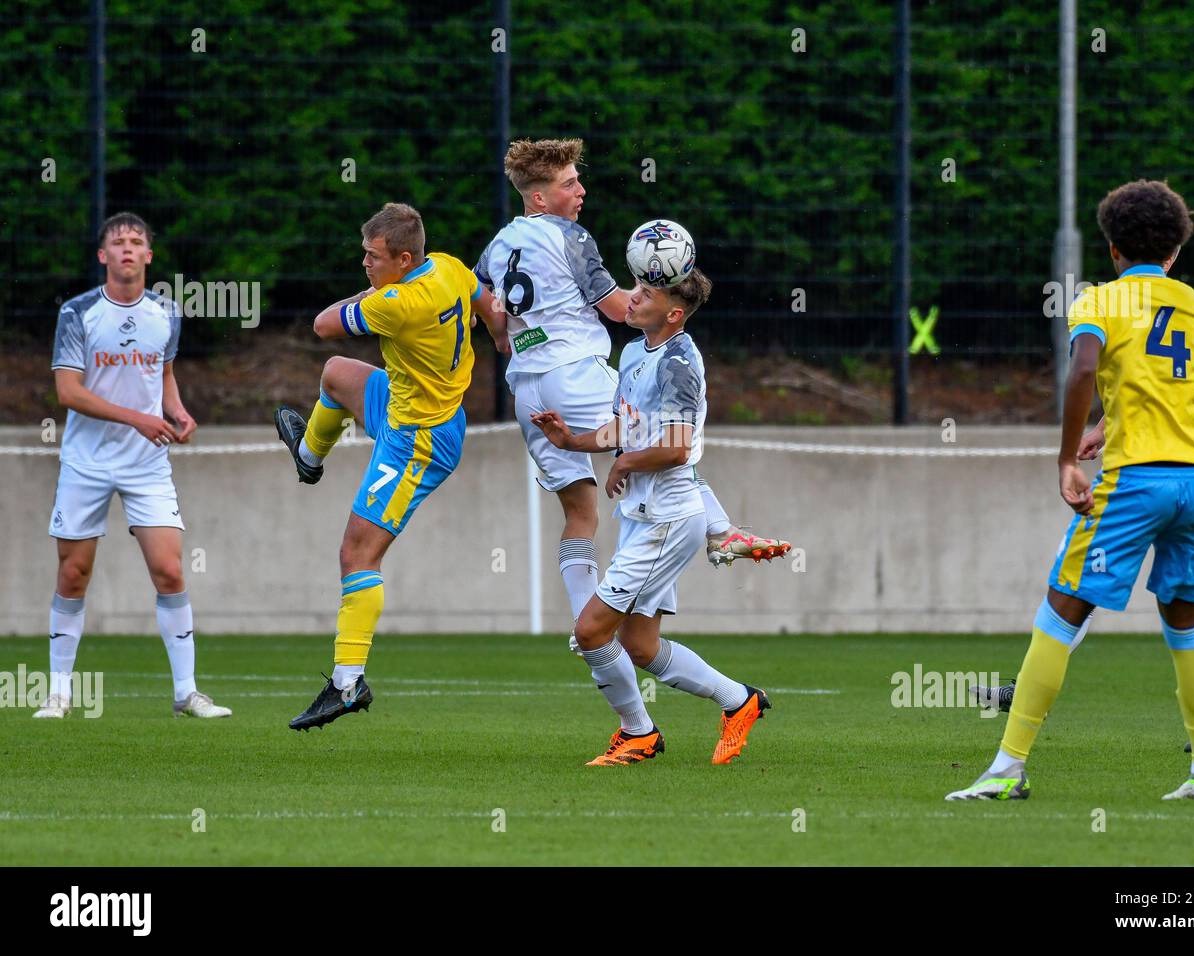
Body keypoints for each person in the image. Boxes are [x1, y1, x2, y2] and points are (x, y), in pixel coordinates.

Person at [946, 180, 1194, 801]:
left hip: (1133, 482)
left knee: (1059, 614)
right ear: (1175, 248)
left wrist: (1067, 457)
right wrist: (1168, 434)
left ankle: (1007, 770)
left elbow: (1084, 367)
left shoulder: (1100, 302)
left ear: (1112, 248)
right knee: (1184, 623)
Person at [473, 138, 791, 648]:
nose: (581, 190)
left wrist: (500, 336)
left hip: (527, 389)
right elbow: (617, 309)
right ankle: (720, 530)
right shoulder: (570, 237)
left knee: (580, 513)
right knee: (659, 434)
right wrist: (652, 289)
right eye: (569, 183)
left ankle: (587, 629)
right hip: (573, 371)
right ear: (539, 198)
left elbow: (482, 295)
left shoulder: (499, 243)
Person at [274, 203, 502, 731]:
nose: (365, 265)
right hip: (410, 404)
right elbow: (487, 303)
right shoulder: (445, 265)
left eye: (373, 258)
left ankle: (347, 683)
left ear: (403, 258)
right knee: (336, 375)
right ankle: (309, 458)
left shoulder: (396, 303)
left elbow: (323, 323)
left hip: (417, 442)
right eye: (364, 255)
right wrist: (504, 342)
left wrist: (374, 295)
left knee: (356, 554)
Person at [532, 271, 770, 765]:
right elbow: (627, 426)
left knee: (590, 632)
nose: (632, 298)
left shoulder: (680, 363)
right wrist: (570, 441)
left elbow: (678, 449)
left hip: (667, 520)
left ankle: (639, 733)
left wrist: (625, 461)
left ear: (673, 313)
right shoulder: (637, 352)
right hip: (644, 517)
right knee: (640, 646)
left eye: (645, 295)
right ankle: (738, 700)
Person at [42, 212, 230, 719]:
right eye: (117, 243)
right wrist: (137, 419)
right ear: (103, 256)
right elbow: (68, 392)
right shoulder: (77, 314)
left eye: (136, 242)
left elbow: (162, 373)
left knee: (170, 570)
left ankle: (187, 693)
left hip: (146, 463)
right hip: (87, 462)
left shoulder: (167, 313)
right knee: (74, 572)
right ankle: (58, 692)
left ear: (149, 256)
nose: (127, 249)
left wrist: (177, 410)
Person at [971, 417, 1194, 753]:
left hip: (1147, 481)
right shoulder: (1186, 369)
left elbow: (1095, 374)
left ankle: (1020, 719)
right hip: (1184, 479)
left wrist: (1171, 443)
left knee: (1090, 591)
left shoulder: (1114, 366)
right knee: (1183, 597)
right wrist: (1107, 433)